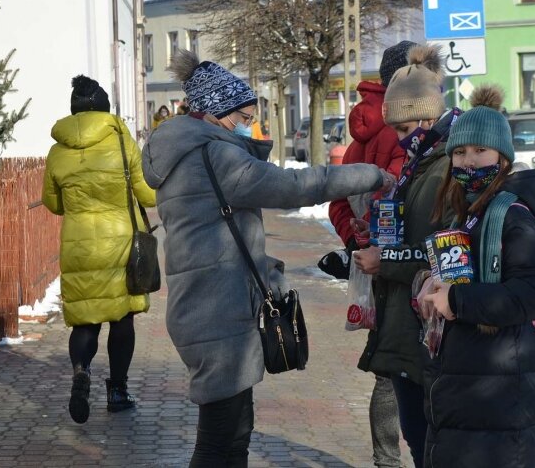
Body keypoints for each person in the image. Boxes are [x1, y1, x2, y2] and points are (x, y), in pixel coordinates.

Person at [141, 49, 395, 466]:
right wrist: (369, 175)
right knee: (218, 439)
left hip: (206, 303)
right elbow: (294, 186)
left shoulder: (184, 151)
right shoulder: (217, 156)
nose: (247, 127)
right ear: (217, 113)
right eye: (242, 118)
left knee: (236, 432)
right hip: (218, 309)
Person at [418, 85, 535, 467]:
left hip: (498, 391)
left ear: (503, 157)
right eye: (460, 152)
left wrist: (458, 301)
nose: (469, 161)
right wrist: (430, 287)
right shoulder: (466, 213)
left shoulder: (511, 215)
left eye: (480, 150)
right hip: (469, 385)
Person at [352, 44, 461, 467]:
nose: (399, 140)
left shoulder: (444, 167)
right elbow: (414, 231)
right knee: (418, 440)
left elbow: (446, 252)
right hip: (406, 325)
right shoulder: (420, 163)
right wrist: (378, 231)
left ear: (428, 118)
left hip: (427, 331)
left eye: (403, 130)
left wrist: (387, 261)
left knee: (429, 444)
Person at [42, 75, 156, 425]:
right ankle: (117, 391)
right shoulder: (121, 142)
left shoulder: (58, 150)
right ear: (105, 108)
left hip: (78, 247)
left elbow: (52, 203)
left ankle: (81, 372)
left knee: (86, 321)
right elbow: (147, 194)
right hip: (119, 242)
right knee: (122, 319)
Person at [325, 40, 413, 468]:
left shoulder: (359, 133)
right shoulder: (407, 130)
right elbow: (404, 201)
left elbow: (338, 202)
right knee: (410, 366)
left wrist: (357, 240)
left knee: (386, 366)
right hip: (408, 265)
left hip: (374, 265)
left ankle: (386, 461)